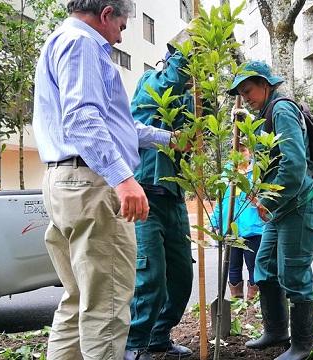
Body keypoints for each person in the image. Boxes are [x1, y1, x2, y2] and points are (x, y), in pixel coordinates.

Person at [32, 1, 178, 358]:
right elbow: (83, 118)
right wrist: (124, 179)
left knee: (79, 299)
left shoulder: (60, 40)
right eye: (123, 25)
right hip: (92, 183)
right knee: (108, 308)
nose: (122, 34)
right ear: (106, 13)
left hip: (65, 180)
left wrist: (167, 139)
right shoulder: (83, 44)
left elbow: (117, 126)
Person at [227, 61, 313, 360]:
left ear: (266, 84)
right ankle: (276, 330)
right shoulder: (265, 114)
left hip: (298, 206)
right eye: (241, 93)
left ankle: (302, 345)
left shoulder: (281, 110)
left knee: (293, 274)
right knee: (264, 269)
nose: (246, 97)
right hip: (280, 210)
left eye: (249, 90)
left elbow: (293, 165)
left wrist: (267, 202)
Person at [123, 42, 195, 360]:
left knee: (182, 276)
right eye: (191, 68)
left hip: (175, 198)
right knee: (150, 274)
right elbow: (169, 82)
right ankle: (134, 344)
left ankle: (158, 336)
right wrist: (189, 51)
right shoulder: (152, 81)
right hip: (146, 193)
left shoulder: (190, 100)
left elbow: (192, 140)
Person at [209, 142, 264, 301]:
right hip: (231, 229)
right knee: (233, 267)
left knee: (253, 266)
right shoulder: (226, 175)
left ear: (250, 152)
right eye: (236, 151)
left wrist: (257, 201)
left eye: (243, 150)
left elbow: (266, 199)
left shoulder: (257, 173)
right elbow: (222, 201)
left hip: (253, 228)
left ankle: (252, 302)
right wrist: (214, 222)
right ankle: (236, 302)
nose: (240, 154)